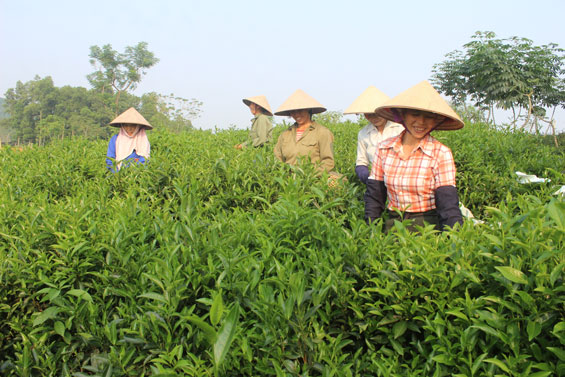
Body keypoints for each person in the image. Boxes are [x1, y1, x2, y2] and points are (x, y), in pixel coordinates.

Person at [364, 81, 464, 231]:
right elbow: (374, 196)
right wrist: (370, 231)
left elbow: (448, 204)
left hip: (427, 227)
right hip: (394, 224)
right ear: (402, 115)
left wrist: (453, 240)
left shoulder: (440, 153)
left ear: (436, 120)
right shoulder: (384, 148)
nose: (421, 122)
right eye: (415, 114)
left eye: (429, 117)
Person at [343, 86, 403, 184]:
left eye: (377, 114)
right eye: (369, 115)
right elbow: (361, 161)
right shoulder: (363, 133)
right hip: (375, 179)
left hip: (399, 179)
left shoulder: (400, 129)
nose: (374, 118)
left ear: (385, 111)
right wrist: (366, 175)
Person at [274, 89, 335, 174]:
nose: (297, 114)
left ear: (308, 110)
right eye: (293, 112)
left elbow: (328, 162)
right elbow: (277, 158)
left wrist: (309, 175)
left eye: (300, 110)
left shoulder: (322, 132)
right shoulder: (285, 134)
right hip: (289, 181)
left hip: (313, 180)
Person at [106, 107, 152, 172]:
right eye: (126, 125)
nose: (129, 128)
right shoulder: (115, 139)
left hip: (137, 175)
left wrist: (133, 172)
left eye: (132, 125)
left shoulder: (142, 140)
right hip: (117, 175)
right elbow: (110, 160)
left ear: (138, 126)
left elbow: (144, 159)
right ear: (122, 126)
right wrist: (117, 174)